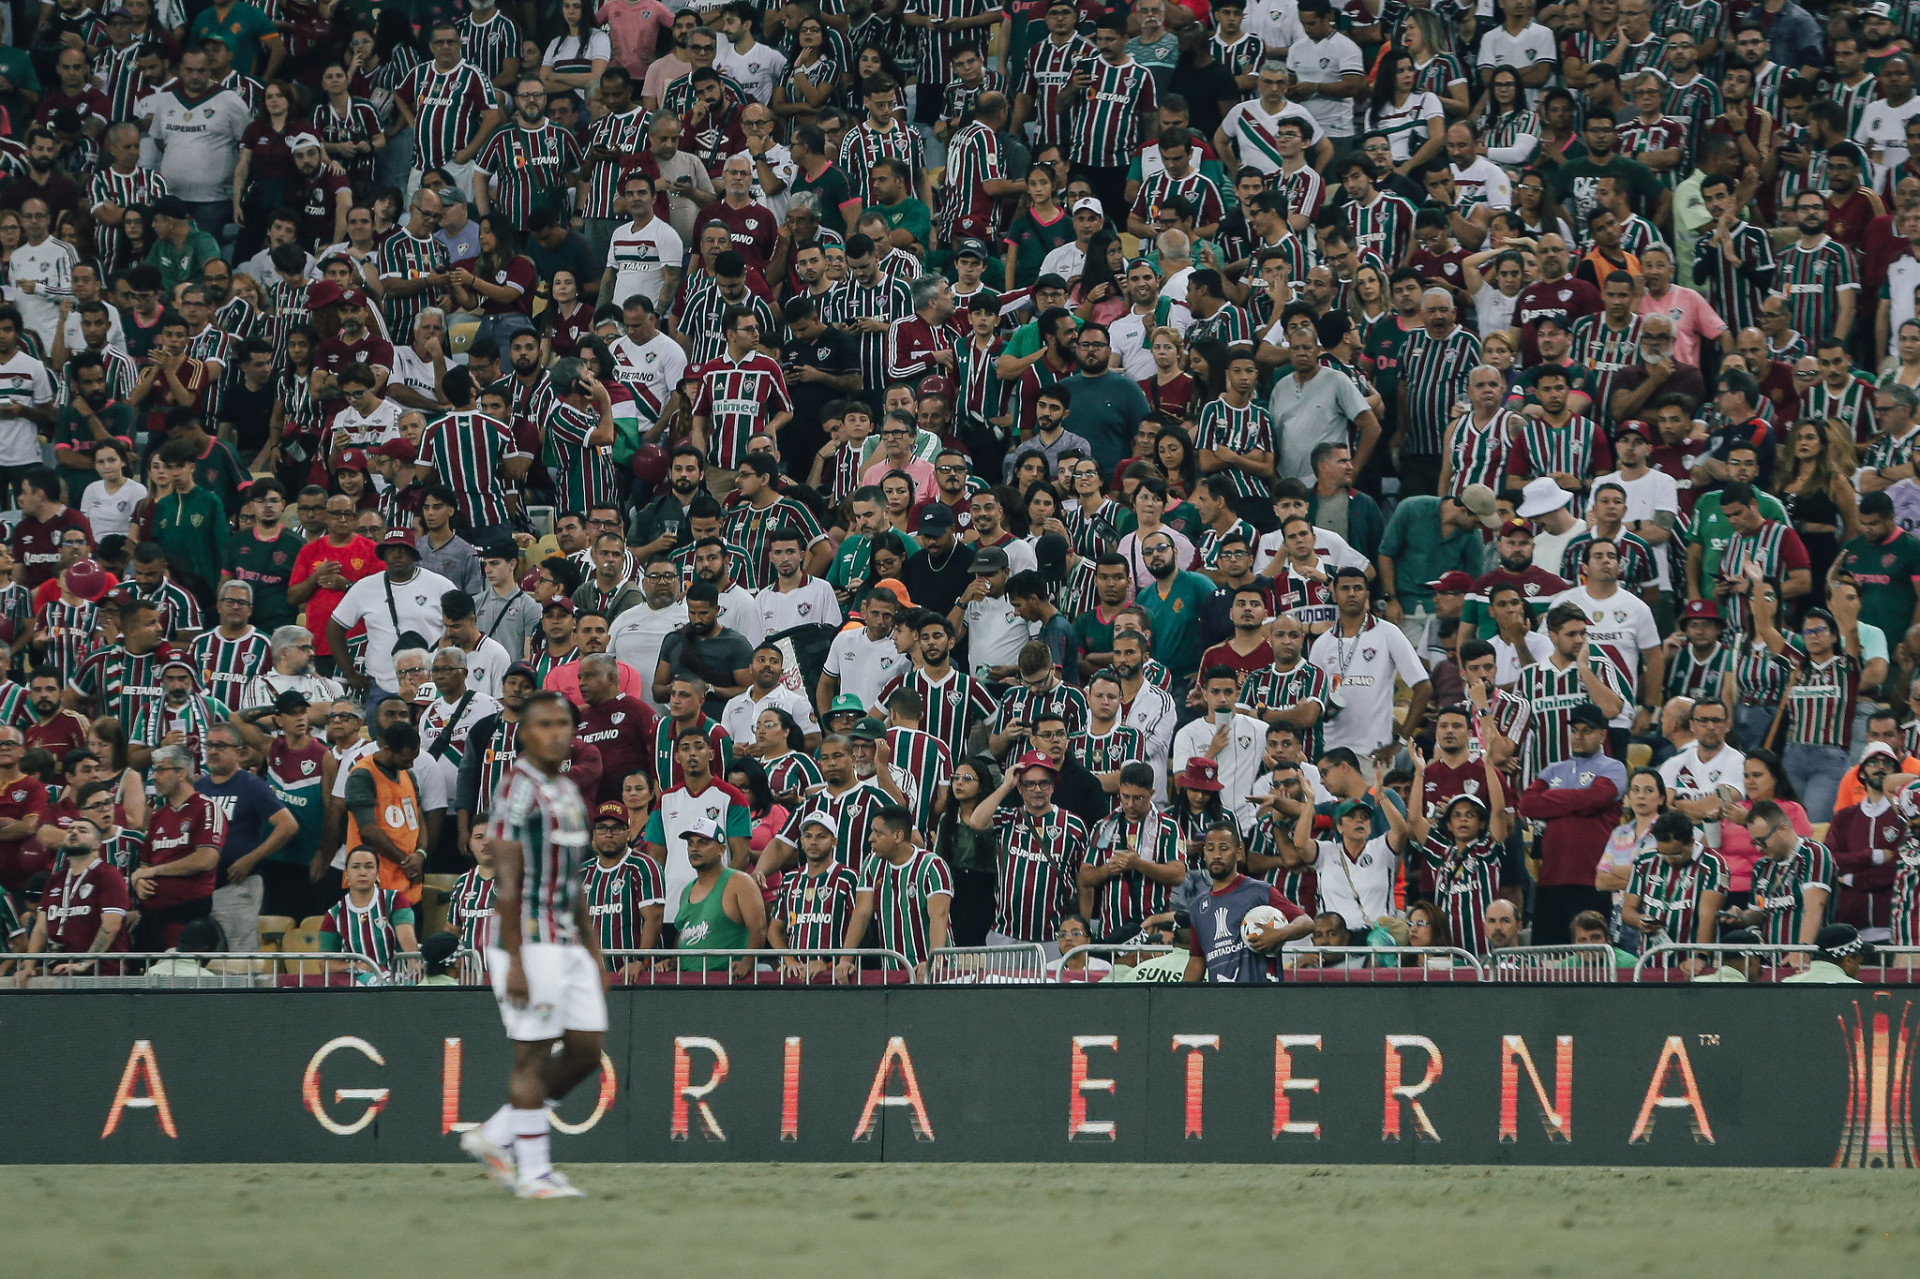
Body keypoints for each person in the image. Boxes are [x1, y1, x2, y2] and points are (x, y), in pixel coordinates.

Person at [457, 691, 605, 1198]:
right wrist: (516, 958)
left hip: (566, 938)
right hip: (529, 938)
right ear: (524, 731)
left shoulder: (565, 788)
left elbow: (575, 880)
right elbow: (508, 882)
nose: (557, 733)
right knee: (534, 1056)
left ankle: (497, 1135)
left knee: (587, 1050)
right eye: (544, 724)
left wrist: (595, 950)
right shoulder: (516, 788)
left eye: (564, 723)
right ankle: (534, 1174)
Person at [1520, 701, 1630, 944]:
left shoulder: (1614, 767)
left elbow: (1597, 797)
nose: (1578, 737)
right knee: (1546, 959)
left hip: (1592, 879)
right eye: (1574, 730)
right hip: (1550, 879)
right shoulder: (1553, 769)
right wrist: (1580, 801)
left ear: (1602, 734)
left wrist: (1551, 800)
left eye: (1586, 731)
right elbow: (1528, 805)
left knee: (1592, 958)